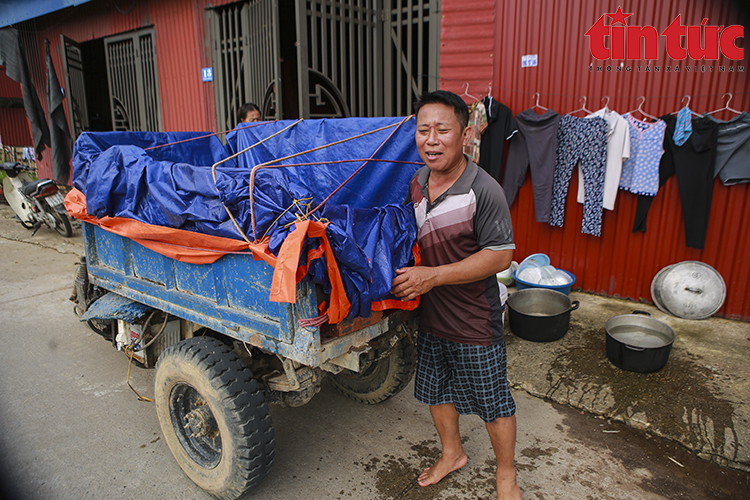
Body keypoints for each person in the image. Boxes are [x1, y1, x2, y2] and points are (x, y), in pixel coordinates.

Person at [391, 90, 521, 500]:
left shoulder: (485, 190)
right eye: (423, 129)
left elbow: (501, 256)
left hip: (474, 319)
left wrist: (434, 276)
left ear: (464, 134)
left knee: (493, 402)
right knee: (435, 391)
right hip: (431, 316)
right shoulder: (416, 183)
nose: (431, 139)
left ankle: (507, 474)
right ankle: (452, 453)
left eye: (442, 130)